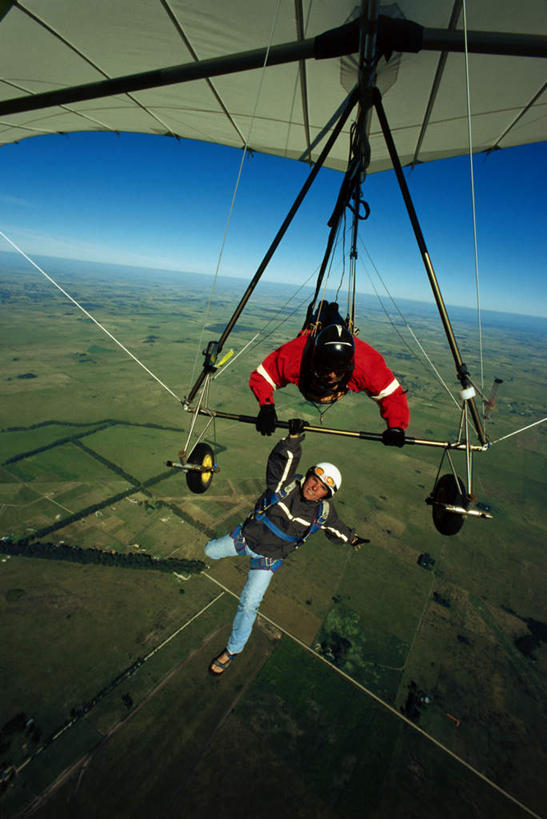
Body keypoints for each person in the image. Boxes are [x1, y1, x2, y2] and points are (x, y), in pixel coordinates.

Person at [205, 420, 368, 675]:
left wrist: (352, 539)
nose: (314, 488)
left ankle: (232, 651)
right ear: (309, 475)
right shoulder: (285, 486)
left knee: (249, 604)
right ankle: (234, 538)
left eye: (322, 488)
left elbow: (338, 530)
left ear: (327, 495)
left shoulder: (323, 513)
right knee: (209, 551)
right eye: (314, 480)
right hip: (245, 540)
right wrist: (293, 439)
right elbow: (282, 463)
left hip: (267, 560)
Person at [249, 306, 409, 447]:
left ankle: (332, 310)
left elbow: (392, 395)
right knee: (319, 319)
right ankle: (325, 309)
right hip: (311, 354)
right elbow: (262, 376)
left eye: (339, 370)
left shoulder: (365, 363)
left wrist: (396, 426)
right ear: (315, 360)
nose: (331, 375)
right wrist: (267, 406)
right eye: (325, 368)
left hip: (343, 363)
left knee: (337, 323)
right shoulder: (296, 354)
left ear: (349, 365)